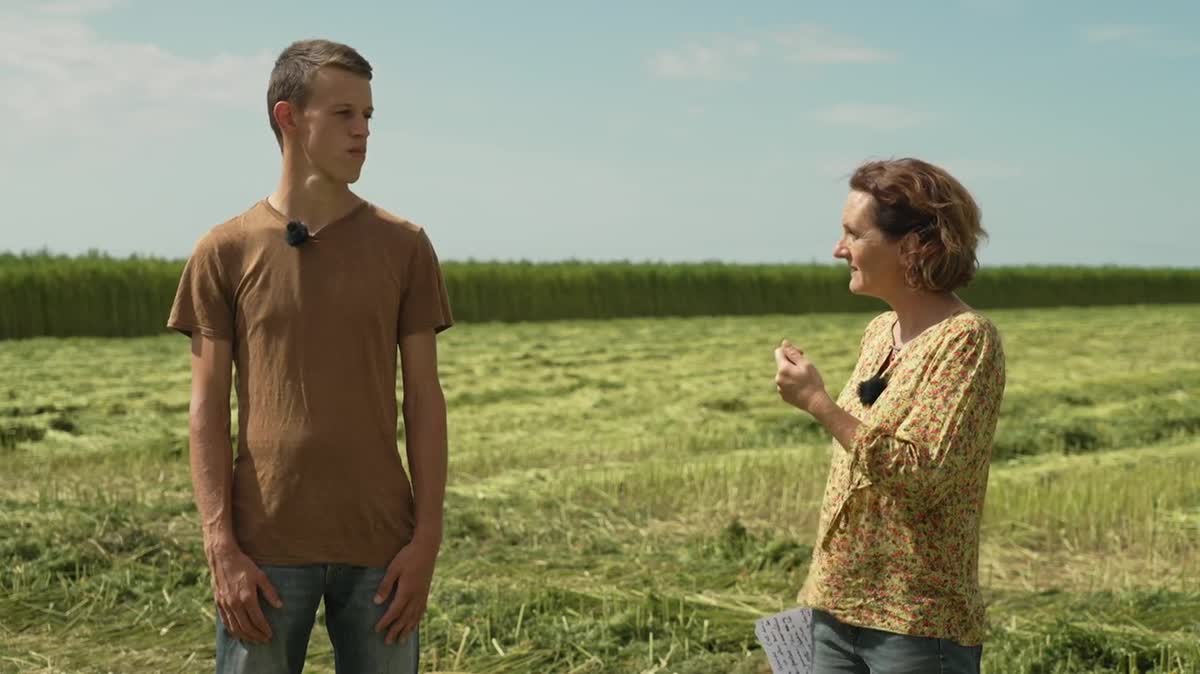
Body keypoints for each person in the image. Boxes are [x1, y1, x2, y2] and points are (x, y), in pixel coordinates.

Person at [167, 38, 453, 673]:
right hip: (264, 552)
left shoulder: (405, 246)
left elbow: (426, 401)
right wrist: (221, 544)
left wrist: (426, 538)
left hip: (383, 550)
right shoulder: (225, 250)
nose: (363, 132)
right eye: (344, 114)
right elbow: (206, 409)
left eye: (369, 116)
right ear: (288, 118)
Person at [772, 158, 1006, 673]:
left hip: (912, 626)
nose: (838, 249)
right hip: (833, 604)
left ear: (912, 245)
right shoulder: (880, 332)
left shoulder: (967, 342)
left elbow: (922, 476)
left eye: (853, 234)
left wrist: (819, 404)